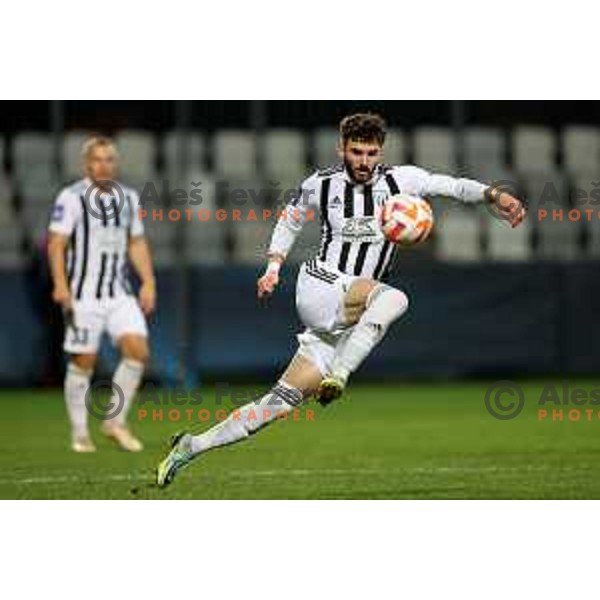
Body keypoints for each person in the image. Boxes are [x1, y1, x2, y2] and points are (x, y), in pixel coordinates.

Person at [156, 113, 525, 487]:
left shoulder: (402, 180)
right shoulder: (322, 184)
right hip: (321, 286)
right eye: (357, 152)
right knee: (395, 298)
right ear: (342, 149)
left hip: (344, 318)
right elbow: (290, 219)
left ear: (381, 151)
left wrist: (494, 195)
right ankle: (341, 374)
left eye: (372, 153)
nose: (364, 161)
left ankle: (191, 445)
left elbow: (453, 186)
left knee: (275, 405)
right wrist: (273, 266)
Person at [48, 136, 156, 452]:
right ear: (86, 164)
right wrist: (60, 284)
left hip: (119, 293)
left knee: (138, 350)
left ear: (116, 163)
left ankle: (114, 422)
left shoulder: (129, 198)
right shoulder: (71, 197)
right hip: (83, 296)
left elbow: (136, 242)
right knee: (84, 361)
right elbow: (56, 243)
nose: (104, 165)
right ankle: (80, 433)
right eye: (97, 159)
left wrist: (148, 281)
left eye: (109, 159)